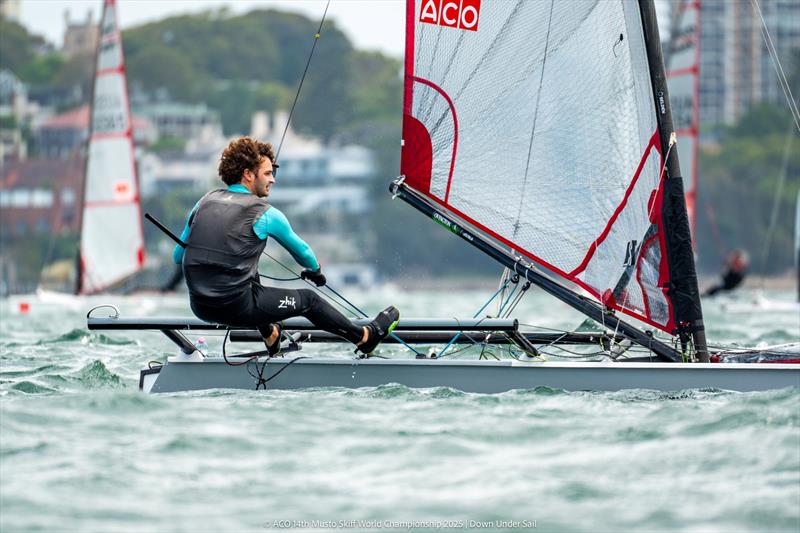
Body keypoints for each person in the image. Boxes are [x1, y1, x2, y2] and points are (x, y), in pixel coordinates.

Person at [173, 136, 399, 355]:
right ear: (248, 175)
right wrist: (315, 272)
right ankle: (364, 337)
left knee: (250, 274)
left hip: (200, 307)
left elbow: (177, 256)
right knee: (309, 300)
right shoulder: (264, 212)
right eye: (268, 173)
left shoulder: (203, 202)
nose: (273, 179)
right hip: (237, 308)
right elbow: (303, 252)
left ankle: (270, 333)